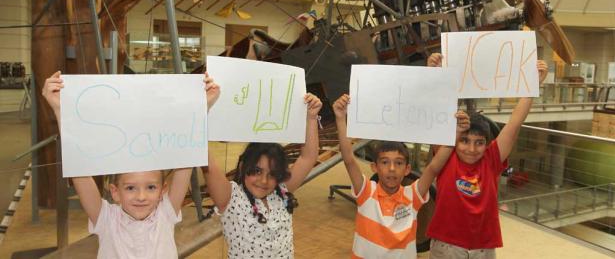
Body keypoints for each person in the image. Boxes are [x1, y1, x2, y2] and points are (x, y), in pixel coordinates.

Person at [41, 71, 220, 259]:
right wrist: (61, 111)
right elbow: (79, 169)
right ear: (115, 191)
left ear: (163, 190)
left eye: (151, 187)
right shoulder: (106, 220)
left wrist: (201, 109)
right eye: (130, 188)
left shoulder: (165, 214)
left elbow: (187, 159)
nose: (141, 196)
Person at [425, 53, 548, 259]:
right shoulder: (446, 156)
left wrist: (534, 84)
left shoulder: (492, 159)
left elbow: (515, 122)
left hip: (483, 249)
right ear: (454, 139)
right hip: (447, 247)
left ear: (486, 143)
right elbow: (435, 109)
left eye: (479, 143)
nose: (471, 149)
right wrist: (433, 75)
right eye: (465, 141)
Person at [333, 94, 470, 259]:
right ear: (374, 167)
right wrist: (340, 118)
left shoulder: (412, 196)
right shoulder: (366, 192)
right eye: (385, 162)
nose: (392, 168)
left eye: (398, 163)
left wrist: (455, 134)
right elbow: (348, 159)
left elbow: (434, 168)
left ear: (407, 169)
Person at [205, 92, 322, 258]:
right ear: (244, 167)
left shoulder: (280, 192)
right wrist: (201, 111)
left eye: (272, 174)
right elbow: (208, 164)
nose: (264, 181)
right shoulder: (231, 199)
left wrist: (311, 118)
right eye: (257, 171)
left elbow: (308, 157)